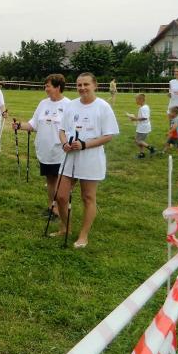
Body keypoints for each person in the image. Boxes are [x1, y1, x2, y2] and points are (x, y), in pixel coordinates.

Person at [54, 72, 119, 248]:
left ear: (95, 85)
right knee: (61, 196)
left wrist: (84, 145)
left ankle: (83, 235)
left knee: (88, 197)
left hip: (91, 158)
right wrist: (64, 143)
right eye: (79, 85)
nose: (82, 88)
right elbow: (61, 130)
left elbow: (108, 135)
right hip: (69, 157)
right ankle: (66, 228)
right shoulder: (71, 105)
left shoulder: (103, 107)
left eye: (86, 84)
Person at [13, 74, 71, 219]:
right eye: (45, 86)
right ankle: (51, 207)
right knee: (50, 180)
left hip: (60, 151)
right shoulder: (43, 104)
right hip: (45, 151)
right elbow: (33, 124)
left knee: (59, 181)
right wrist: (19, 125)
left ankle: (59, 209)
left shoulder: (68, 105)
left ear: (58, 87)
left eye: (48, 86)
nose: (45, 89)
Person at [127, 94, 155, 159]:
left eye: (136, 99)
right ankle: (142, 154)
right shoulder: (145, 107)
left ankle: (151, 148)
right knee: (141, 141)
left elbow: (145, 118)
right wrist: (134, 118)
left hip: (143, 127)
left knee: (137, 141)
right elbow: (142, 117)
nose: (135, 101)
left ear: (141, 100)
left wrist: (135, 119)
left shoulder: (143, 108)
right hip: (143, 126)